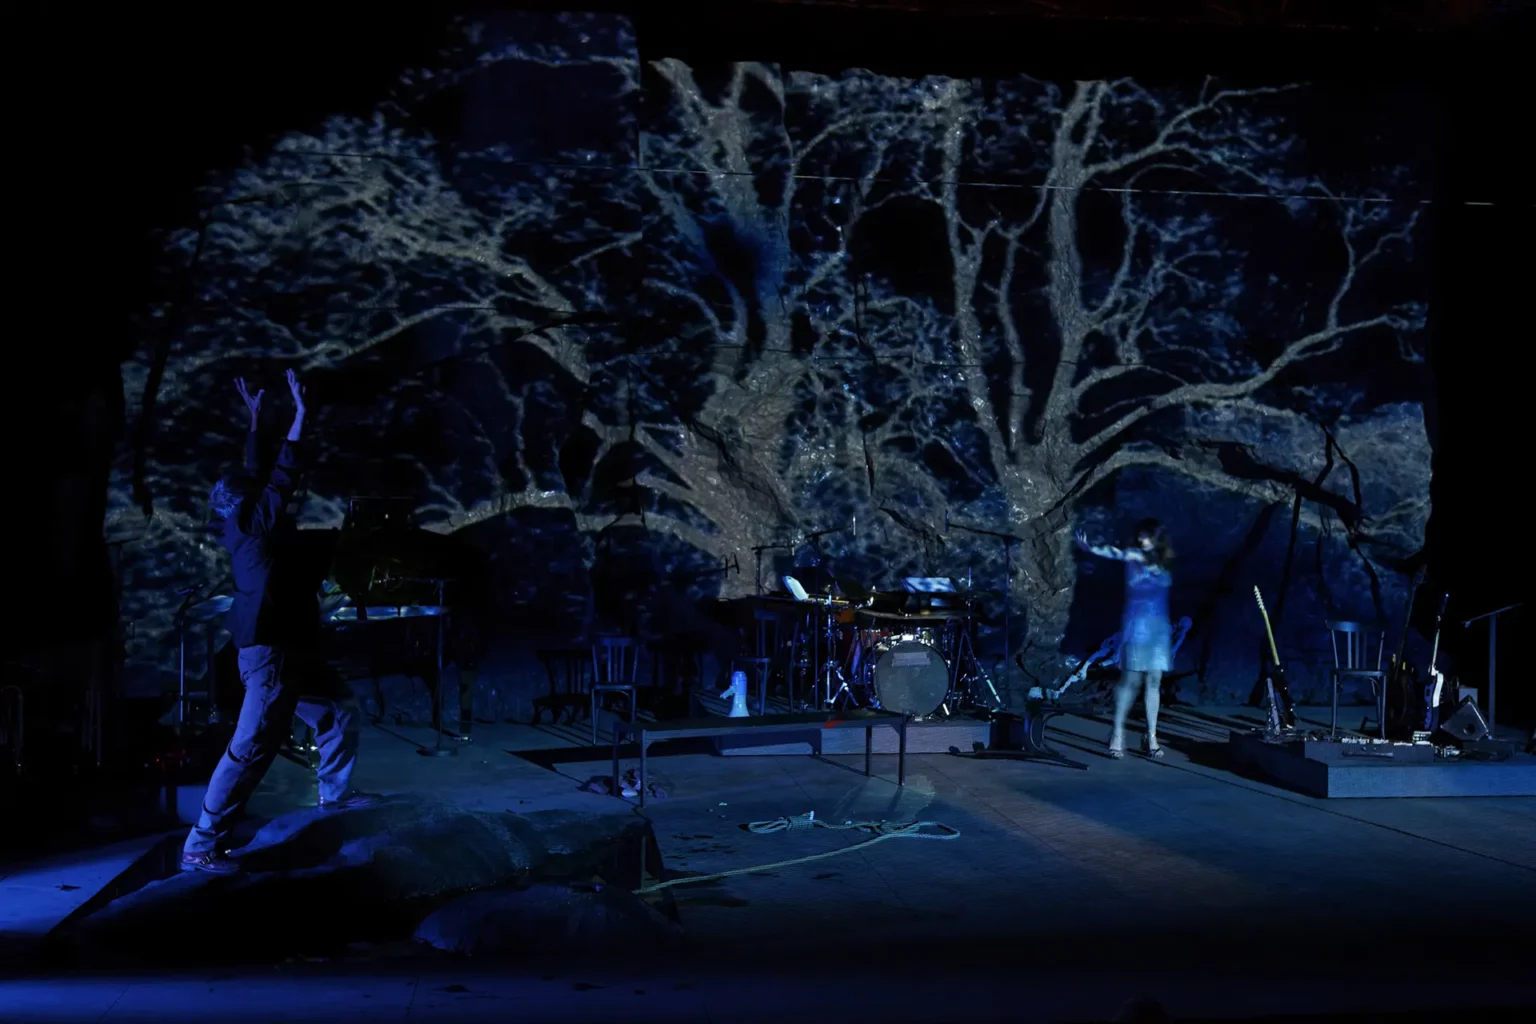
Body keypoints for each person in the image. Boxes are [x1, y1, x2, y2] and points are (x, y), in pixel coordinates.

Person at [182, 370, 371, 874]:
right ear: (244, 502)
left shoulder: (246, 520)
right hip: (269, 650)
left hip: (292, 644)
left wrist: (254, 419)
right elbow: (279, 478)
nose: (266, 493)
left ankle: (334, 799)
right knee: (249, 746)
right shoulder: (249, 523)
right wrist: (300, 418)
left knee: (337, 711)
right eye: (256, 491)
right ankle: (201, 843)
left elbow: (261, 471)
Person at [1075, 519, 1174, 760]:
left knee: (1153, 680)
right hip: (1137, 625)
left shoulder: (1165, 561)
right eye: (1140, 536)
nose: (1142, 540)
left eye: (1147, 536)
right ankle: (1117, 732)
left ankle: (1150, 736)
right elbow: (1114, 552)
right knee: (1130, 680)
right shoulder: (1133, 556)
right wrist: (1090, 549)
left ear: (1156, 537)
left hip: (1158, 627)